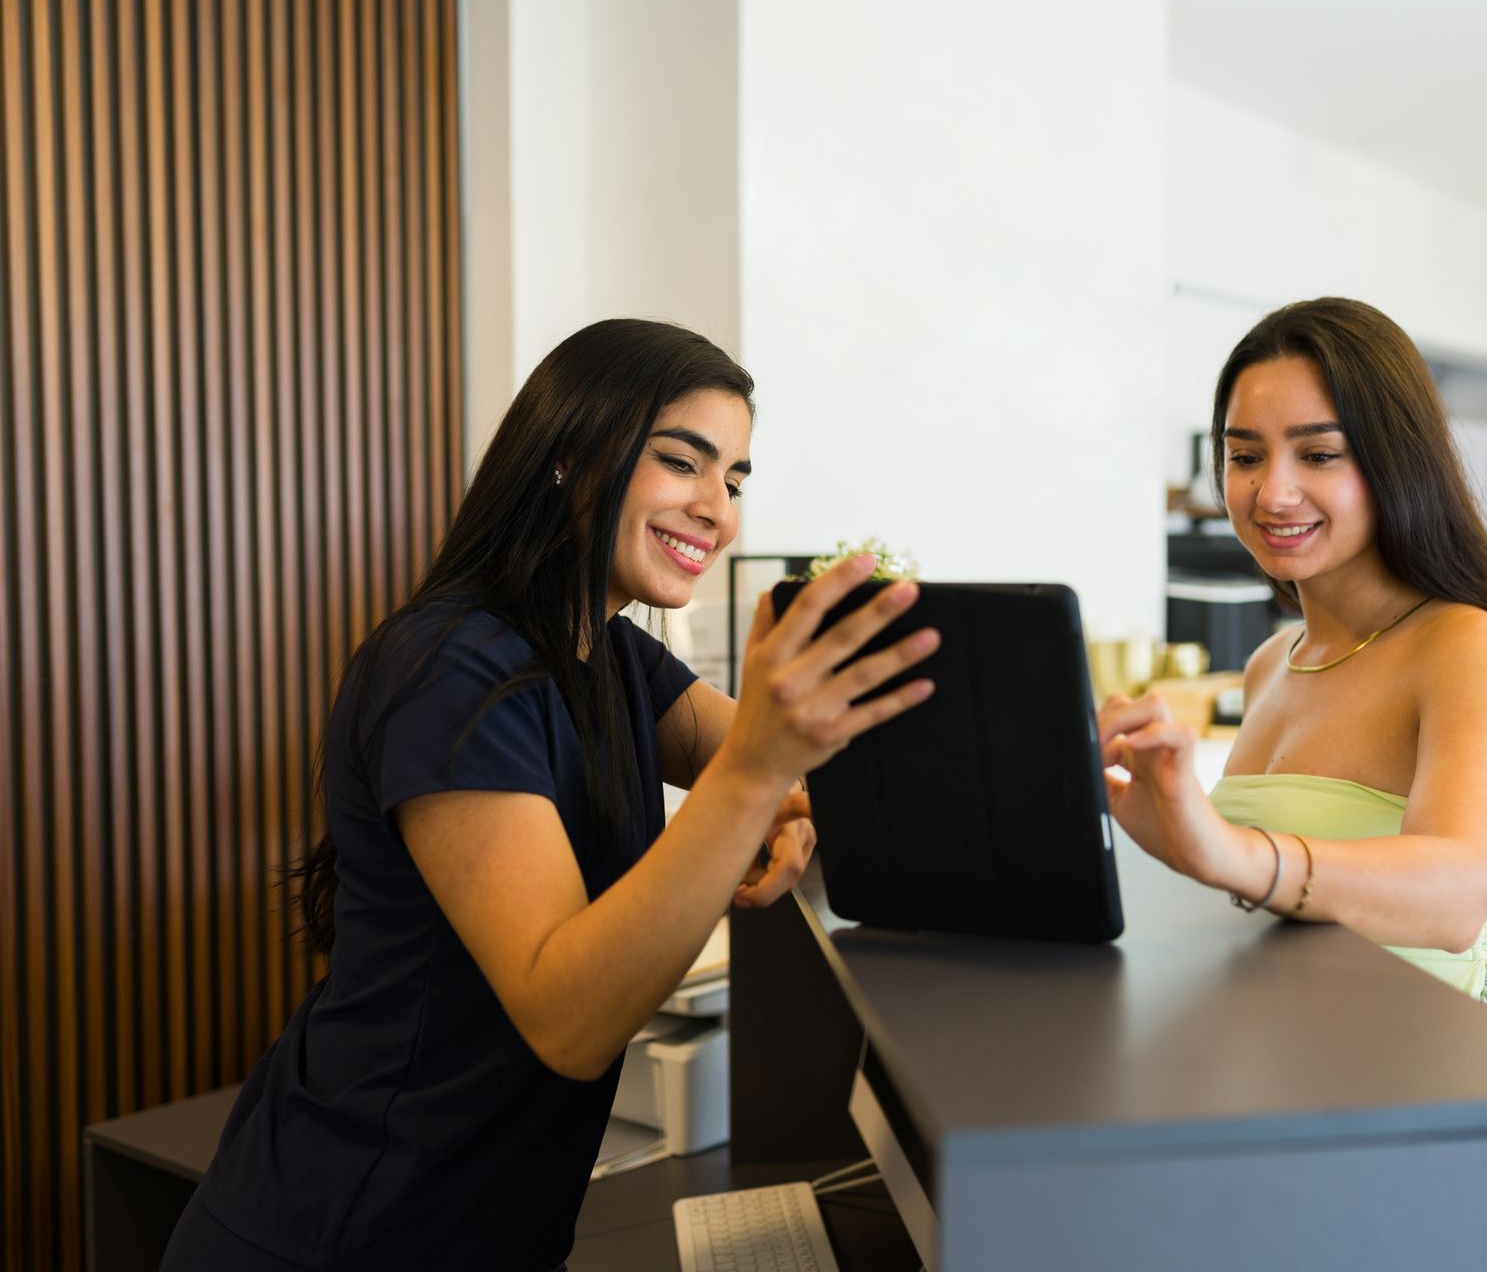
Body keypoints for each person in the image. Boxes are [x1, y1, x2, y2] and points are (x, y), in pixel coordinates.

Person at [161, 320, 939, 1271]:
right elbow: (569, 1021)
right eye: (683, 463)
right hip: (348, 1231)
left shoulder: (613, 658)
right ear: (570, 454)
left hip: (495, 1229)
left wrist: (786, 792)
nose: (716, 509)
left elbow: (788, 760)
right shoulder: (451, 666)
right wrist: (755, 780)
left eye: (734, 479)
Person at [1098, 297, 1487, 1025]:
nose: (1271, 492)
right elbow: (1258, 900)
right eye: (1245, 457)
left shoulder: (1472, 645)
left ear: (1396, 461)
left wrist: (1235, 852)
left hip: (1415, 1081)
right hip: (1284, 1056)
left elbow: (1458, 897)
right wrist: (1143, 818)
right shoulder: (1274, 662)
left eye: (1319, 455)